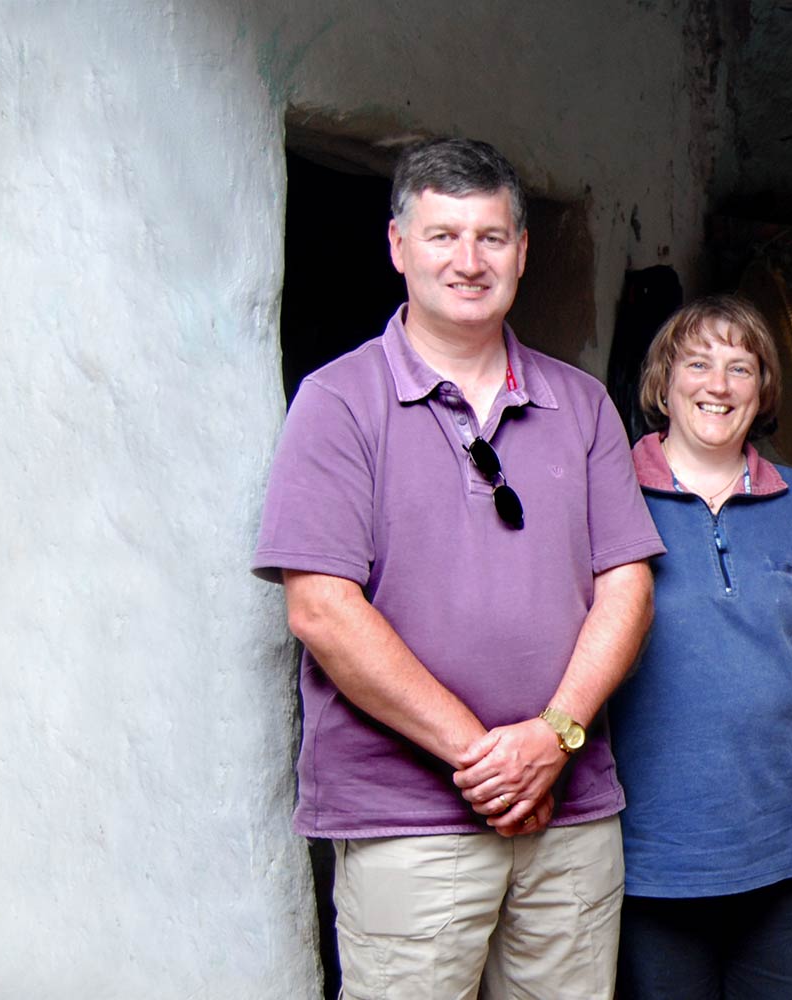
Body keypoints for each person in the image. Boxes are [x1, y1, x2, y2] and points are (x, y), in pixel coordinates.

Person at [252, 137, 662, 999]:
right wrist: (486, 758)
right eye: (442, 236)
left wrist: (553, 738)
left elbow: (627, 586)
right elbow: (322, 609)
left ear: (522, 251)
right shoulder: (336, 402)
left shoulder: (582, 404)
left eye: (490, 237)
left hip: (572, 813)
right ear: (398, 247)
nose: (467, 261)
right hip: (408, 821)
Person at [607, 294, 792, 999]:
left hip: (788, 839)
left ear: (763, 390)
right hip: (659, 845)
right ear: (663, 381)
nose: (718, 386)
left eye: (740, 368)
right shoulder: (612, 495)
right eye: (698, 363)